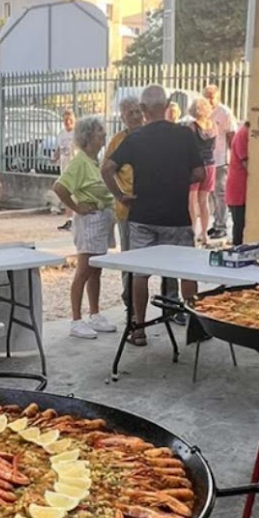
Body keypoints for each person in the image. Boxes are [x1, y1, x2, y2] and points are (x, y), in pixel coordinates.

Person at [101, 83, 204, 345]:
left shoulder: (134, 139)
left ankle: (138, 328)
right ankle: (195, 326)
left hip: (142, 216)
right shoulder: (184, 135)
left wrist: (120, 195)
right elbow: (200, 173)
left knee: (139, 273)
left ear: (144, 109)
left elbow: (107, 168)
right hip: (177, 217)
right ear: (168, 105)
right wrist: (178, 179)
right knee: (187, 272)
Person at [52, 114, 117, 339]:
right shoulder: (80, 162)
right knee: (83, 271)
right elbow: (59, 188)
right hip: (89, 221)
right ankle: (76, 319)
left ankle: (95, 313)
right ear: (89, 136)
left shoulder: (94, 161)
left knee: (96, 270)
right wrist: (76, 207)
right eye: (100, 131)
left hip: (101, 220)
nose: (104, 134)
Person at [102, 96, 143, 250]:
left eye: (138, 112)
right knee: (128, 255)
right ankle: (128, 276)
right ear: (122, 118)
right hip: (127, 206)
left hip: (151, 206)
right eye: (130, 113)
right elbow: (106, 169)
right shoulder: (117, 140)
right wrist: (119, 195)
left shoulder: (152, 135)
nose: (135, 117)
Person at [203, 82, 237, 239]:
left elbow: (231, 136)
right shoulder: (204, 112)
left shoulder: (224, 113)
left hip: (221, 160)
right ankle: (215, 223)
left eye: (212, 98)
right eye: (207, 97)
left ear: (218, 97)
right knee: (210, 195)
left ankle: (222, 225)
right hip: (207, 160)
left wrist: (232, 157)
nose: (209, 101)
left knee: (220, 194)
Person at [187, 97, 216, 245]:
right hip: (210, 165)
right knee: (204, 201)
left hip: (195, 166)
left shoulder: (192, 126)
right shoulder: (213, 125)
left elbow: (188, 147)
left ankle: (192, 231)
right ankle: (204, 233)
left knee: (192, 201)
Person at [225, 118, 249, 245]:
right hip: (238, 188)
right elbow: (246, 163)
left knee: (241, 224)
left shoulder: (244, 133)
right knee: (239, 225)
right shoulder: (244, 134)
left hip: (242, 188)